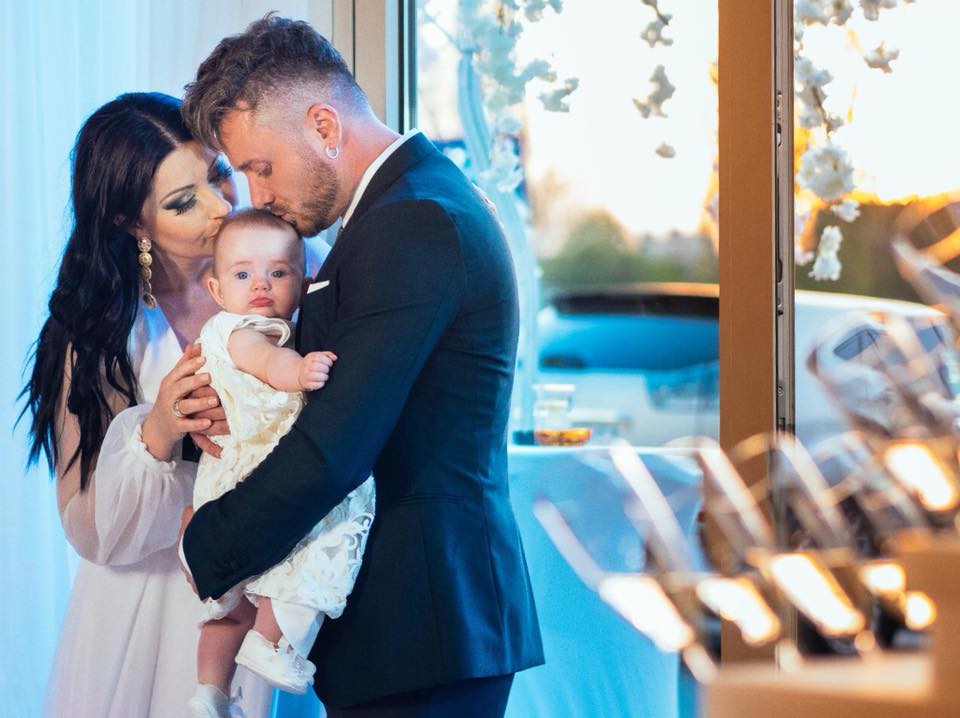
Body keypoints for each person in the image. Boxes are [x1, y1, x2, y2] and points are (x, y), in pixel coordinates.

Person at [179, 15, 545, 717]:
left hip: (424, 622)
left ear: (323, 125)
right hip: (414, 627)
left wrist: (209, 543)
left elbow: (340, 442)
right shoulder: (402, 206)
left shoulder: (412, 220)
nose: (257, 197)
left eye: (261, 167)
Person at [21, 92, 272, 718]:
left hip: (275, 597)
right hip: (151, 611)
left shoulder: (282, 272)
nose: (221, 206)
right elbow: (87, 528)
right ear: (131, 222)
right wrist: (157, 431)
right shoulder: (102, 333)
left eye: (219, 174)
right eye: (184, 202)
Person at [189, 208, 374, 717]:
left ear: (303, 281)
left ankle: (210, 692)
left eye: (278, 272)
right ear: (216, 289)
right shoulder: (240, 329)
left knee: (229, 611)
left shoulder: (272, 328)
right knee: (300, 556)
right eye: (242, 274)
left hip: (229, 477)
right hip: (254, 474)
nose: (261, 285)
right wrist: (300, 371)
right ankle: (271, 644)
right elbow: (266, 362)